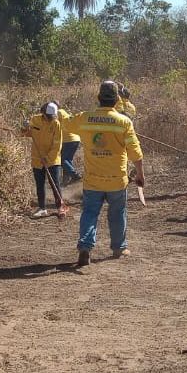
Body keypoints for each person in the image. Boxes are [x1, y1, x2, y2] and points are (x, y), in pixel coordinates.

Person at [62, 80, 145, 267]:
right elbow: (135, 153)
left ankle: (85, 247)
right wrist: (140, 174)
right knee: (117, 213)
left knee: (90, 212)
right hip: (117, 179)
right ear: (117, 100)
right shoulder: (124, 122)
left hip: (93, 180)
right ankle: (119, 248)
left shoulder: (85, 118)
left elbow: (66, 124)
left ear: (98, 98)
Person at [21, 102, 65, 217]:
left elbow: (57, 144)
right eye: (48, 116)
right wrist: (24, 128)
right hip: (37, 158)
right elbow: (25, 134)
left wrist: (48, 158)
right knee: (39, 184)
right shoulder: (35, 120)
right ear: (43, 112)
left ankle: (60, 207)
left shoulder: (56, 123)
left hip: (52, 160)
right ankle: (42, 208)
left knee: (55, 183)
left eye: (52, 116)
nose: (51, 118)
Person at [58, 105, 83, 185]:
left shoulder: (59, 112)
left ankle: (75, 175)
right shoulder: (65, 113)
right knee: (67, 160)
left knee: (62, 160)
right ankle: (66, 181)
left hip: (68, 140)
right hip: (75, 138)